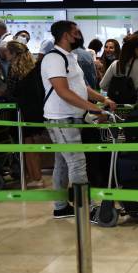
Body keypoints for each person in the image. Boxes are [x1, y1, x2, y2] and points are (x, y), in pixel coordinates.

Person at [41, 20, 116, 218]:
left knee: (63, 164)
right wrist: (95, 109)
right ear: (66, 35)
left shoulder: (70, 57)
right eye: (76, 32)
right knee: (77, 163)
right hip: (61, 118)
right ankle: (88, 209)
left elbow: (81, 88)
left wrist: (103, 99)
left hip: (71, 117)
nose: (79, 36)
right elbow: (63, 92)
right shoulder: (54, 59)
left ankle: (60, 207)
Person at [1, 41, 44, 187]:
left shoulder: (15, 71)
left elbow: (12, 93)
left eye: (7, 52)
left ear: (14, 53)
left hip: (22, 112)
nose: (5, 54)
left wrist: (2, 94)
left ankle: (35, 178)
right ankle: (35, 176)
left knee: (26, 146)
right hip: (33, 111)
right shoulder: (33, 68)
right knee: (31, 145)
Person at [100, 34, 138, 103]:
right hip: (136, 104)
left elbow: (102, 85)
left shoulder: (115, 64)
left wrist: (118, 90)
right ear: (136, 49)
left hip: (117, 104)